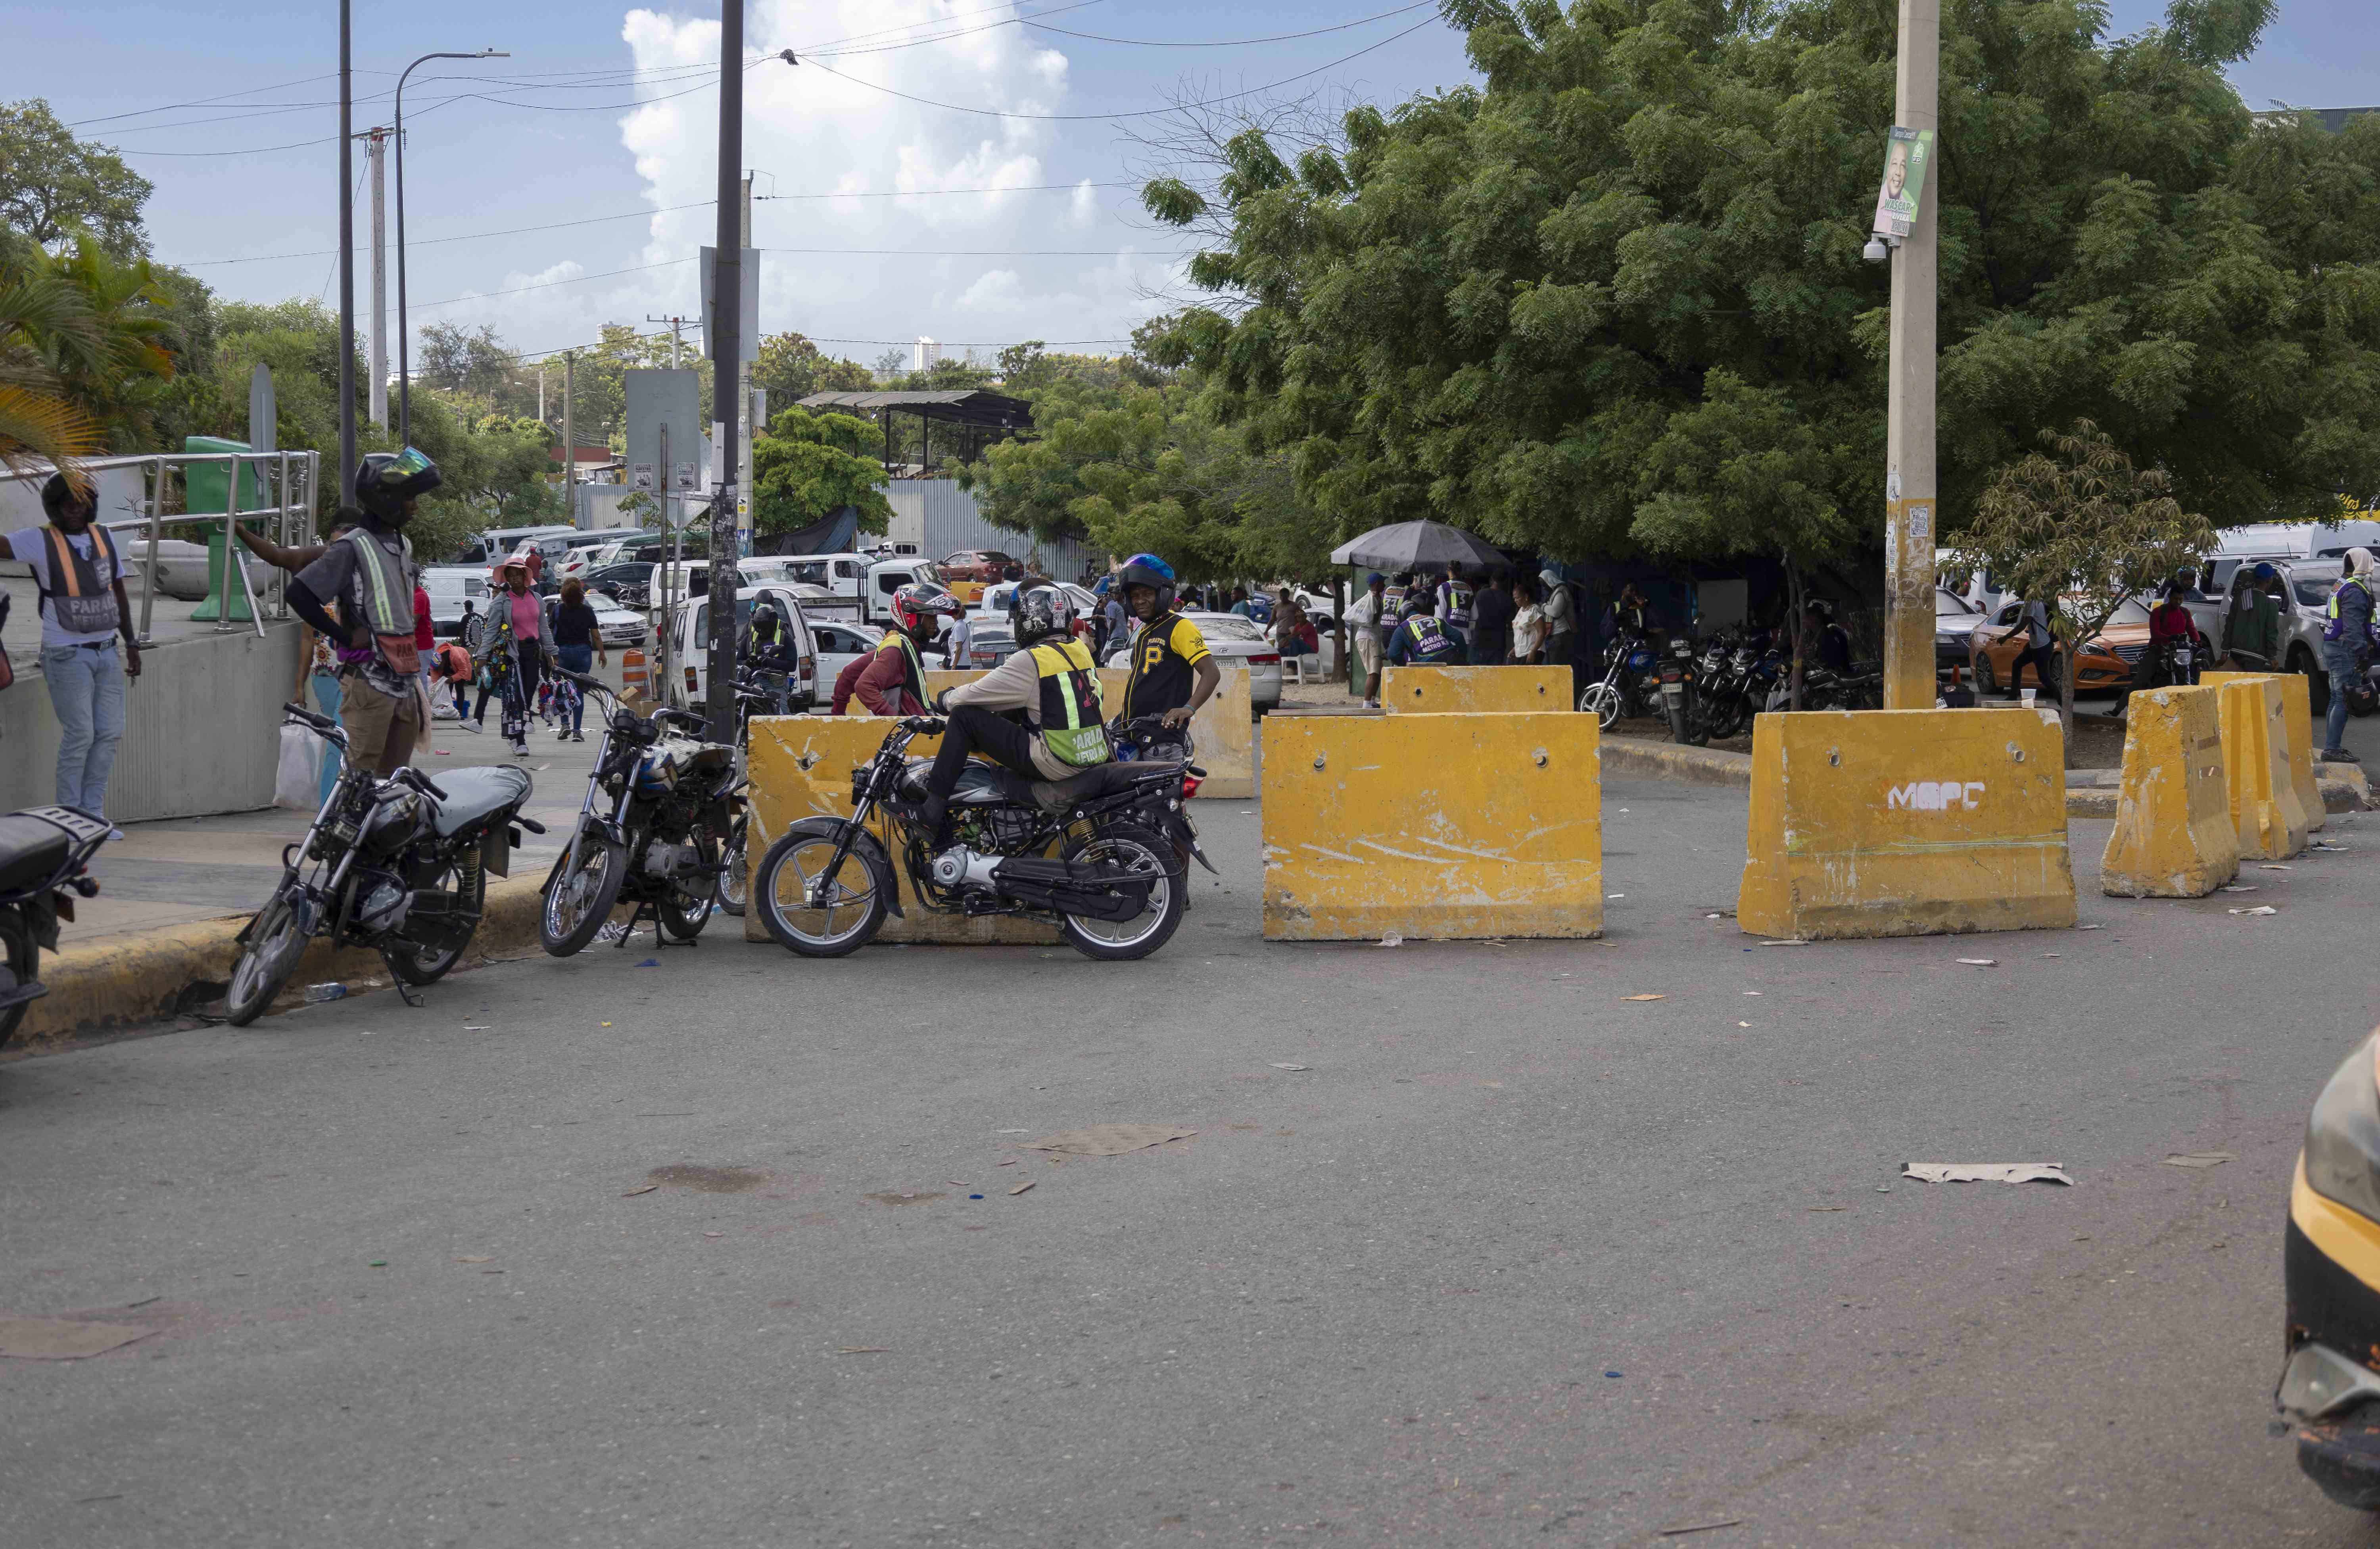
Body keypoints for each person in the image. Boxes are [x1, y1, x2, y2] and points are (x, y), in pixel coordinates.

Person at [919, 586, 1111, 850]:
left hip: (1057, 760)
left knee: (964, 717)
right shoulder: (1079, 649)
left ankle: (933, 807)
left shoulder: (1032, 660)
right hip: (1089, 754)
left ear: (1027, 621)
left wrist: (944, 699)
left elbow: (976, 694)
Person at [286, 451, 436, 778]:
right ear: (386, 498)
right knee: (359, 780)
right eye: (409, 497)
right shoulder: (352, 547)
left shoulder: (403, 544)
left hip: (404, 683)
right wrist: (343, 636)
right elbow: (298, 593)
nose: (415, 505)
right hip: (369, 684)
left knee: (393, 781)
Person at [9, 473, 143, 824]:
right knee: (81, 733)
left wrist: (131, 643)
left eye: (81, 502)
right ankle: (69, 818)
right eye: (67, 503)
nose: (75, 509)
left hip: (106, 650)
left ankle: (93, 814)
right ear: (54, 507)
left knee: (109, 732)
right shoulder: (38, 541)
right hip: (65, 653)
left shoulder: (104, 536)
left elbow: (118, 592)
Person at [1116, 552, 1219, 728]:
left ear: (1163, 594)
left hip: (1162, 735)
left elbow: (1212, 673)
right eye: (1135, 596)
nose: (1140, 601)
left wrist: (1189, 708)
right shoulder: (1144, 630)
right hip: (1136, 728)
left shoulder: (1179, 627)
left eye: (1147, 594)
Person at [853, 583, 960, 717]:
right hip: (906, 733)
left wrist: (933, 707)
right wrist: (896, 719)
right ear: (910, 617)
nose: (936, 623)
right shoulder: (896, 649)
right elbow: (864, 686)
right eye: (931, 617)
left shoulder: (909, 645)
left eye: (936, 618)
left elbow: (910, 696)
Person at [2322, 547, 2380, 763]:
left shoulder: (2341, 583)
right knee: (2343, 699)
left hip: (2336, 647)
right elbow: (2353, 626)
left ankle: (2332, 747)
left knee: (2337, 698)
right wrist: (2362, 653)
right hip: (2345, 649)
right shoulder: (2355, 590)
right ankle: (2332, 749)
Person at [489, 552, 544, 753]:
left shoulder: (537, 598)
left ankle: (515, 732)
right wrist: (482, 656)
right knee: (518, 697)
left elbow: (543, 628)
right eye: (510, 576)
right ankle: (520, 740)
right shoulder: (502, 601)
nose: (514, 579)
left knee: (529, 696)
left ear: (525, 576)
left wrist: (551, 652)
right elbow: (491, 630)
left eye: (517, 575)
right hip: (513, 654)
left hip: (533, 652)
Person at [549, 577, 605, 741]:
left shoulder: (558, 610)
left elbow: (549, 633)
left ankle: (565, 724)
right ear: (580, 594)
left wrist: (550, 655)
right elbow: (596, 635)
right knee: (578, 692)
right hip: (583, 653)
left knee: (563, 690)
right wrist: (602, 653)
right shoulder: (587, 610)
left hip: (563, 653)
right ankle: (577, 732)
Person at [1342, 573, 1390, 707]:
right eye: (1382, 582)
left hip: (1370, 637)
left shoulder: (1375, 598)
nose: (1384, 585)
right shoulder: (1373, 599)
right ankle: (1367, 703)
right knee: (1373, 672)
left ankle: (1372, 701)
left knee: (1378, 671)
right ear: (1376, 584)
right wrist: (1379, 605)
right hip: (1368, 638)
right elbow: (1372, 620)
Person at [2003, 591, 2057, 702]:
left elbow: (2023, 624)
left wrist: (2005, 637)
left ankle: (2064, 703)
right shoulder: (2036, 601)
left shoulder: (2032, 602)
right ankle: (2013, 696)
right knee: (2017, 664)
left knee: (2044, 678)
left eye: (2018, 590)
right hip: (2036, 645)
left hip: (2042, 646)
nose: (2017, 593)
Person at [1388, 595, 1469, 666]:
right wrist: (1462, 656)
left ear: (1402, 616)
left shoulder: (1402, 628)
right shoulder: (1436, 620)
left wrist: (1404, 665)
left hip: (1427, 664)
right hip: (1451, 657)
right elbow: (1458, 636)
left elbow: (1393, 654)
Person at [1539, 568, 1579, 696]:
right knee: (1553, 670)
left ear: (1549, 581)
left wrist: (1544, 607)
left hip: (1561, 636)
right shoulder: (1554, 593)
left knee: (1559, 670)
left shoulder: (1561, 592)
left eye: (1544, 583)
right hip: (1555, 636)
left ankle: (1563, 697)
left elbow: (1556, 612)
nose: (1543, 587)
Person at [1469, 566, 1513, 665]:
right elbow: (1510, 623)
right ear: (1506, 582)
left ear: (1492, 579)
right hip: (1498, 644)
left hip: (1480, 641)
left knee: (1476, 675)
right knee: (1494, 678)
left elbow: (1473, 615)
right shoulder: (1508, 599)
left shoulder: (1480, 594)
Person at [428, 638, 475, 723]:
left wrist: (452, 679)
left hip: (462, 667)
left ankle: (460, 712)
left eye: (439, 668)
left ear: (443, 662)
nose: (438, 670)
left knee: (459, 688)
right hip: (449, 669)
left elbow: (464, 671)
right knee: (446, 689)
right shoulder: (435, 663)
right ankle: (449, 709)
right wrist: (436, 689)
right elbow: (435, 680)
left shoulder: (456, 657)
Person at [1804, 599, 1852, 675]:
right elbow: (1802, 657)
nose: (1803, 620)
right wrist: (1796, 666)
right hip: (1815, 674)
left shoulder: (1828, 634)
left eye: (1806, 617)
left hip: (1831, 677)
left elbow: (1827, 663)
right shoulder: (1810, 634)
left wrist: (1804, 664)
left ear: (1814, 618)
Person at [1436, 567, 1476, 648]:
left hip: (1449, 638)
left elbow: (1439, 617)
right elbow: (1475, 616)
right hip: (1465, 637)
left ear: (1449, 572)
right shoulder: (1469, 588)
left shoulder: (1443, 588)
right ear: (1461, 572)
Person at [1511, 575, 1546, 665]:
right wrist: (1515, 649)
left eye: (1517, 598)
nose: (1515, 600)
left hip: (1531, 653)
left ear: (1526, 597)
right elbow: (1520, 632)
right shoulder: (1521, 610)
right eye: (1514, 598)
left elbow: (1542, 632)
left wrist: (1533, 651)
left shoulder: (1534, 610)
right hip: (1520, 653)